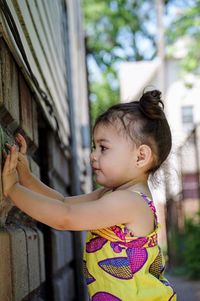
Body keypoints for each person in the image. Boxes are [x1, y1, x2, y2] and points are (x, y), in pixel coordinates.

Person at [2, 89, 176, 301]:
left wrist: (12, 190)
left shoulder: (129, 202)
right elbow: (63, 202)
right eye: (94, 146)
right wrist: (26, 179)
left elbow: (65, 217)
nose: (93, 155)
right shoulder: (112, 194)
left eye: (103, 148)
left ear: (140, 156)